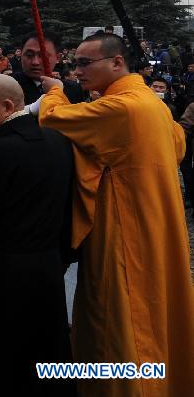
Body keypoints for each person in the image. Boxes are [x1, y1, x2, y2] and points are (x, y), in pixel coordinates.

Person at [38, 32, 194, 396]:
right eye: (73, 63)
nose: (76, 71)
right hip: (158, 225)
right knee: (156, 313)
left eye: (83, 63)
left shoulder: (121, 108)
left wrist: (54, 91)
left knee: (124, 320)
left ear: (116, 62)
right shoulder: (150, 102)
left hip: (126, 231)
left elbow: (54, 121)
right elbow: (179, 144)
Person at [0, 75, 75, 396]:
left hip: (2, 276)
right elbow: (69, 209)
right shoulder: (58, 142)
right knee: (49, 350)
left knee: (6, 363)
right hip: (49, 269)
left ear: (7, 106)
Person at [13, 33, 84, 105]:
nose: (35, 62)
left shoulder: (73, 89)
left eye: (43, 56)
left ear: (57, 58)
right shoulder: (8, 86)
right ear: (21, 55)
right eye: (29, 55)